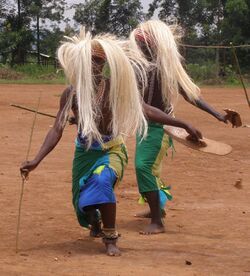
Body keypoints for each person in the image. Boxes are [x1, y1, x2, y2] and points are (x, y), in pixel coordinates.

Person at [20, 28, 202, 256]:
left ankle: (110, 238)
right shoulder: (72, 93)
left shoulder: (115, 88)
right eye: (90, 61)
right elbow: (57, 127)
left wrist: (183, 123)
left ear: (104, 64)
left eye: (98, 61)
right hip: (84, 153)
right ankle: (94, 221)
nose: (94, 66)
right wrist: (37, 160)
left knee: (101, 181)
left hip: (112, 150)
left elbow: (144, 109)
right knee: (83, 206)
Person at [129, 20, 235, 235]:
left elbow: (190, 94)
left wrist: (217, 115)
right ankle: (156, 209)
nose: (139, 49)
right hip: (145, 126)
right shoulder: (137, 67)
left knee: (143, 167)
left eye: (142, 46)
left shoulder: (165, 68)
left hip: (160, 128)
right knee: (151, 169)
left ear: (151, 46)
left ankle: (157, 221)